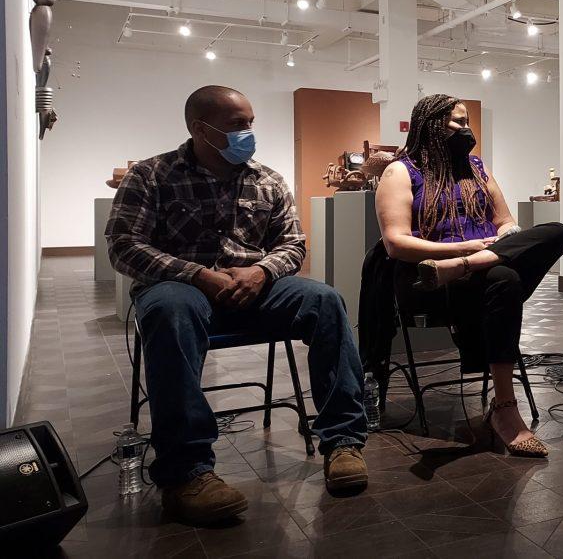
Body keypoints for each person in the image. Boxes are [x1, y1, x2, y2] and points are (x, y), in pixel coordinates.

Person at [106, 86, 368, 527]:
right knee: (170, 312)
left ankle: (343, 441)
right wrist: (197, 275)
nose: (248, 133)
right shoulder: (152, 175)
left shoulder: (267, 178)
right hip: (181, 288)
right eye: (237, 125)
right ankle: (187, 473)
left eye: (250, 123)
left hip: (254, 287)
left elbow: (292, 244)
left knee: (325, 300)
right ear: (199, 128)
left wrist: (262, 272)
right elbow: (124, 245)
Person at [374, 94, 563, 457]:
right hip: (426, 280)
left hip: (473, 269)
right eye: (458, 123)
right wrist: (467, 249)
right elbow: (396, 244)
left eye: (468, 123)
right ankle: (506, 410)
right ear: (430, 125)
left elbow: (506, 222)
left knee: (557, 231)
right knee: (504, 281)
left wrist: (493, 244)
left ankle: (469, 267)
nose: (467, 130)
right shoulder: (400, 171)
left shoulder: (478, 169)